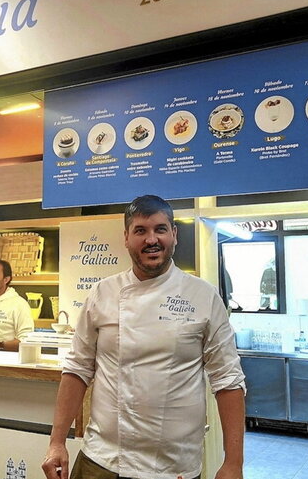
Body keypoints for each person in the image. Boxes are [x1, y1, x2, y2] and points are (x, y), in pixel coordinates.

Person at [41, 195, 246, 479]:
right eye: (140, 230)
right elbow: (77, 370)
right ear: (126, 237)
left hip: (173, 467)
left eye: (160, 229)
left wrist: (233, 463)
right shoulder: (102, 293)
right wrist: (56, 442)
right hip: (102, 460)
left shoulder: (203, 296)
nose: (152, 239)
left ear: (174, 234)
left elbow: (228, 382)